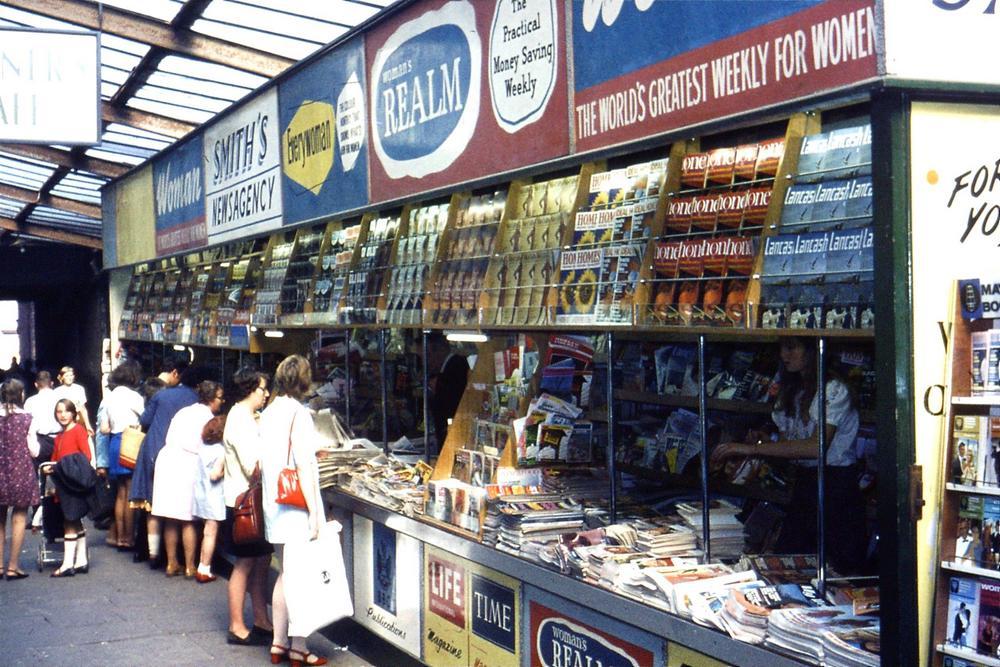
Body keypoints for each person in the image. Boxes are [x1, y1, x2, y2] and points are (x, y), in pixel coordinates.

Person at [710, 337, 865, 573]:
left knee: (838, 568)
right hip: (805, 484)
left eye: (792, 348)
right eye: (782, 348)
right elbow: (789, 445)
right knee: (789, 564)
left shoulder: (834, 390)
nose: (784, 355)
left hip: (836, 486)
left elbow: (815, 447)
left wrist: (753, 449)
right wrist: (763, 440)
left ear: (812, 351)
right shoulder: (793, 391)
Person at [260, 355, 328, 666]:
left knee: (286, 573)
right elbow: (302, 464)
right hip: (297, 503)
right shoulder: (299, 414)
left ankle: (278, 642)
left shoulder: (269, 411)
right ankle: (299, 645)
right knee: (300, 576)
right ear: (303, 381)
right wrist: (315, 512)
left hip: (274, 500)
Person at [151, 380, 224, 578]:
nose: (221, 401)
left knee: (171, 517)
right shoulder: (208, 418)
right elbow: (204, 446)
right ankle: (190, 565)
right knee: (187, 519)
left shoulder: (185, 411)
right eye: (220, 398)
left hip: (166, 459)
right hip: (186, 463)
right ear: (211, 399)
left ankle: (171, 563)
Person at [222, 367, 273, 646]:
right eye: (262, 388)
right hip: (244, 505)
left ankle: (261, 619)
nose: (266, 394)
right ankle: (236, 625)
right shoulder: (240, 419)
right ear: (250, 389)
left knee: (261, 560)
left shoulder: (250, 417)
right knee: (244, 564)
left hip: (255, 503)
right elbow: (252, 467)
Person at [130, 357, 197, 568]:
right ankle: (187, 563)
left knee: (154, 506)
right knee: (184, 512)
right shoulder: (195, 397)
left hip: (157, 451)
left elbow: (145, 421)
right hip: (187, 457)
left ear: (175, 373)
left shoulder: (162, 396)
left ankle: (154, 555)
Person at [49, 398, 94, 577]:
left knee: (69, 520)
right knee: (74, 520)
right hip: (64, 483)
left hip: (73, 483)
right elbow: (54, 457)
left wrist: (61, 466)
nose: (63, 415)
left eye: (66, 411)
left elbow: (87, 456)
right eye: (59, 412)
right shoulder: (59, 436)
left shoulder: (78, 431)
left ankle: (68, 564)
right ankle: (81, 559)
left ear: (74, 413)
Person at [102, 361, 144, 550]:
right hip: (130, 441)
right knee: (130, 491)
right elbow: (145, 416)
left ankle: (119, 537)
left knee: (120, 492)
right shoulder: (134, 396)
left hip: (114, 442)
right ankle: (128, 537)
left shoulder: (109, 398)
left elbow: (104, 428)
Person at [0, 378, 39, 580]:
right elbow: (34, 451)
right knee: (19, 516)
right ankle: (13, 567)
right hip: (20, 471)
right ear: (20, 395)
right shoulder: (27, 418)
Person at [193, 414, 226, 584]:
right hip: (213, 496)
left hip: (200, 494)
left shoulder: (203, 448)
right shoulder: (221, 451)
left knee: (205, 531)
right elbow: (214, 476)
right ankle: (204, 569)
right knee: (211, 534)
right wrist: (225, 472)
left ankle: (201, 565)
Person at [426, 333, 469, 451]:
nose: (426, 361)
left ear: (440, 350)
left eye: (428, 355)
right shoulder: (447, 369)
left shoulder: (455, 367)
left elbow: (449, 405)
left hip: (453, 435)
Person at [53, 366, 93, 435]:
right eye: (67, 376)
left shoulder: (79, 389)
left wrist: (87, 424)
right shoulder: (57, 391)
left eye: (71, 375)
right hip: (64, 421)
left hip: (78, 420)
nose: (70, 378)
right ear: (62, 377)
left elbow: (83, 408)